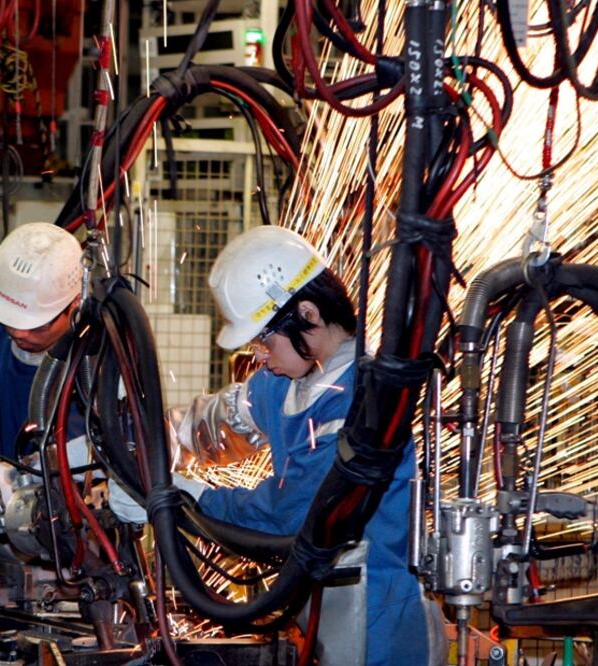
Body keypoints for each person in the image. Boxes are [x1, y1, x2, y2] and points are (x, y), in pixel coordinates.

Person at [111, 225, 445, 666]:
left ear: (307, 314)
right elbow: (219, 423)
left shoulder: (361, 401)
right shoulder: (285, 383)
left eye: (264, 340)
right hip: (324, 613)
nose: (259, 356)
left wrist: (183, 499)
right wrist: (140, 443)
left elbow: (290, 513)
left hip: (380, 626)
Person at [0, 221, 86, 457]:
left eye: (37, 324)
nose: (17, 332)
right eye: (8, 317)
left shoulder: (102, 363)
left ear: (75, 303)